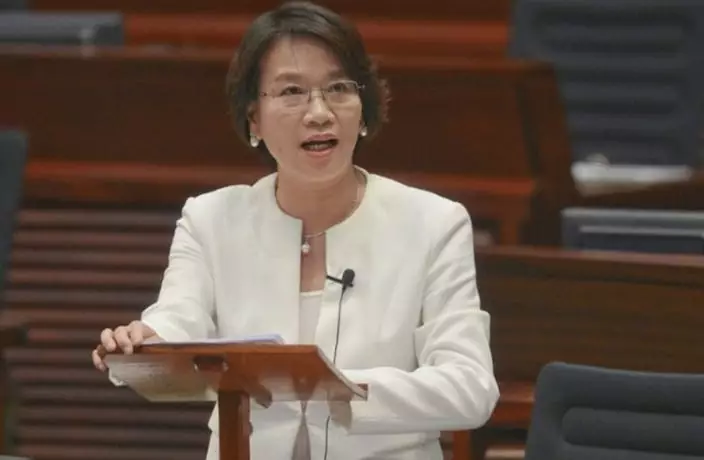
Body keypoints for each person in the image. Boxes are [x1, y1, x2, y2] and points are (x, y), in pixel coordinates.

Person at [92, 1, 499, 458]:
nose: (319, 112)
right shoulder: (210, 220)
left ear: (363, 108)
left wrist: (343, 387)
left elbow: (470, 387)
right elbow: (178, 319)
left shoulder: (433, 224)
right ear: (253, 117)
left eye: (339, 88)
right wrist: (146, 341)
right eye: (292, 92)